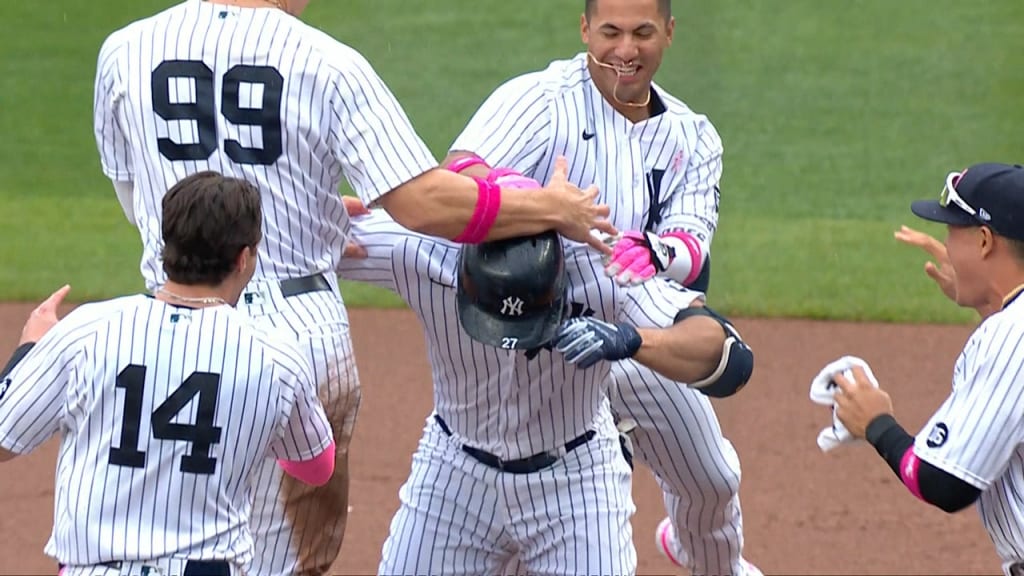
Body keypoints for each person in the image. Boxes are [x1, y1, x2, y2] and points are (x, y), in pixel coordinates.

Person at [92, 1, 616, 574]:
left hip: (155, 334)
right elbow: (424, 204)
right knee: (285, 559)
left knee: (157, 535)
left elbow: (143, 205)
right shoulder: (324, 63)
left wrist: (289, 221)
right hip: (295, 339)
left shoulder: (125, 50)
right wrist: (547, 205)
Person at [438, 0, 759, 572]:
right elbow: (461, 170)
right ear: (585, 29)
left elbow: (691, 248)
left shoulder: (693, 136)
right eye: (610, 32)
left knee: (711, 478)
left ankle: (716, 565)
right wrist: (536, 201)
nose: (625, 50)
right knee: (525, 484)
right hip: (542, 340)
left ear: (669, 32)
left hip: (632, 326)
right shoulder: (541, 99)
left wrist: (652, 251)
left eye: (642, 32)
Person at [335, 197, 753, 576]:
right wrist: (313, 217)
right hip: (451, 474)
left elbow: (729, 356)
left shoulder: (596, 266)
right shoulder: (423, 250)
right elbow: (287, 236)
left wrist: (633, 340)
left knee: (712, 476)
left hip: (575, 485)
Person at [0, 171, 335, 576]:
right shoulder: (278, 357)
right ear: (243, 258)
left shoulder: (86, 330)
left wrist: (30, 350)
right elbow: (316, 467)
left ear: (167, 246)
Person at [827, 163, 1024, 576]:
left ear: (985, 240)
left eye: (954, 232)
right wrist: (988, 298)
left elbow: (942, 482)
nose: (947, 246)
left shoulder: (1009, 336)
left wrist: (876, 423)